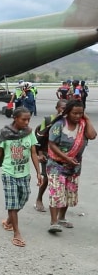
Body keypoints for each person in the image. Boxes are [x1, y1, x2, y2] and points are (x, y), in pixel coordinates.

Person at [0, 107, 42, 247]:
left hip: (24, 173)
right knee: (12, 202)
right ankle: (16, 233)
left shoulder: (29, 133)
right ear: (15, 118)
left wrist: (38, 172)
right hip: (9, 172)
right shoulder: (5, 133)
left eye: (28, 119)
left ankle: (8, 221)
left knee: (23, 198)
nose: (26, 122)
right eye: (23, 119)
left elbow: (33, 153)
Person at [45, 99, 96, 233]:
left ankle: (62, 217)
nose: (77, 116)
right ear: (68, 112)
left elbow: (92, 136)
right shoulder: (59, 124)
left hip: (74, 166)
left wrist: (88, 119)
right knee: (56, 192)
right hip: (57, 164)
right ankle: (54, 222)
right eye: (75, 113)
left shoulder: (83, 125)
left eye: (80, 113)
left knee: (69, 192)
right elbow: (52, 144)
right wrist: (66, 157)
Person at [34, 99, 67, 212]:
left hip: (63, 154)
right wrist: (40, 153)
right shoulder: (48, 120)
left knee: (63, 179)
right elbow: (40, 137)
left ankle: (59, 203)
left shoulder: (68, 122)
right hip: (47, 153)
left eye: (66, 108)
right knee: (47, 178)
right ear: (57, 108)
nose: (63, 110)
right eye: (62, 107)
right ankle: (39, 199)